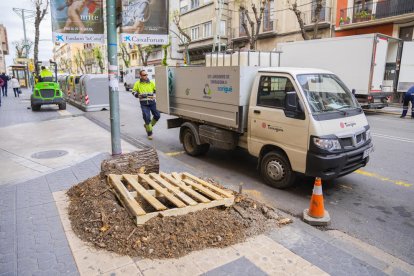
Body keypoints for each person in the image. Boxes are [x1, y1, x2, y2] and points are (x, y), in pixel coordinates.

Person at [132, 69, 160, 140]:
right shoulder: (137, 83)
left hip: (152, 102)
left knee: (157, 115)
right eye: (144, 75)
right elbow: (133, 91)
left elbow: (156, 90)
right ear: (141, 76)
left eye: (146, 74)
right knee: (146, 117)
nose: (146, 76)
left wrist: (157, 92)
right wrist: (137, 95)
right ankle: (149, 133)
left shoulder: (151, 83)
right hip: (144, 103)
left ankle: (148, 126)